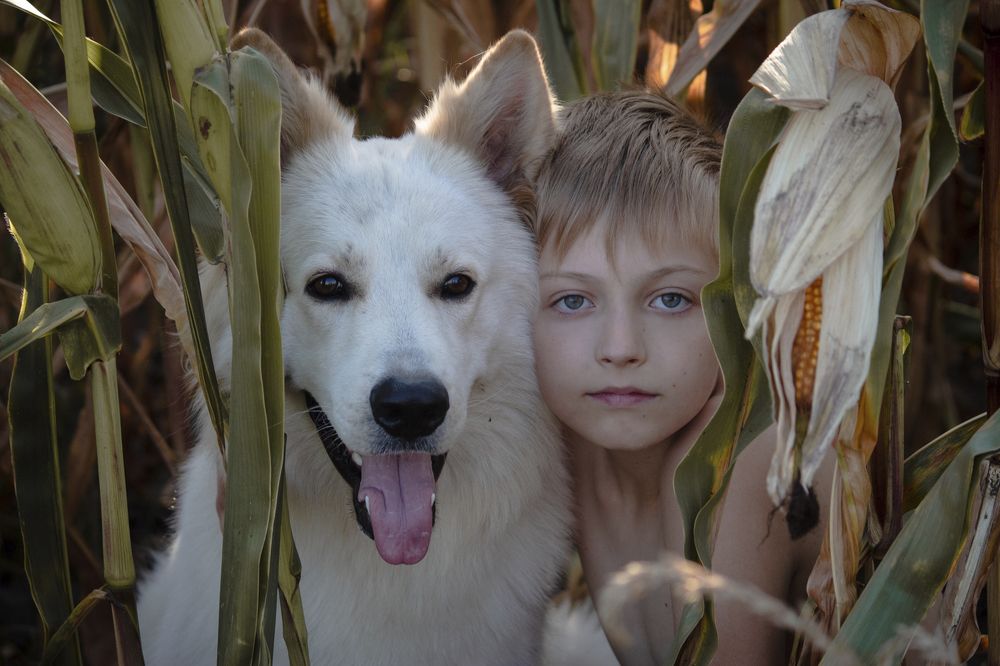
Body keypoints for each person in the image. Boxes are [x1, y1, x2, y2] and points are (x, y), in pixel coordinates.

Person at [533, 89, 829, 665]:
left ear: (735, 307)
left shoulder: (746, 465)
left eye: (670, 299)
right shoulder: (562, 447)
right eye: (572, 301)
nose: (620, 349)